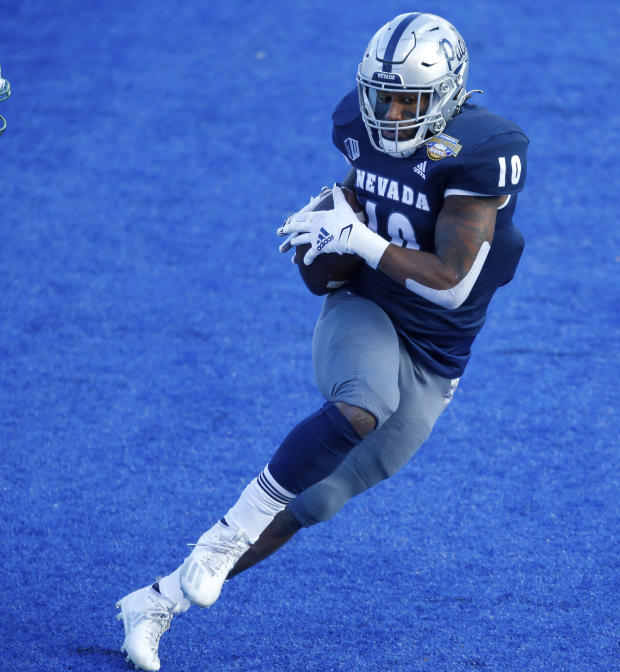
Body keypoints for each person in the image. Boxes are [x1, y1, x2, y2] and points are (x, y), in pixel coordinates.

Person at [115, 12, 528, 671]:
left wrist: (359, 239)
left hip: (438, 355)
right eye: (382, 96)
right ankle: (219, 543)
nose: (390, 113)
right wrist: (324, 239)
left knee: (319, 499)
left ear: (448, 96)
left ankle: (155, 601)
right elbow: (323, 277)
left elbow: (449, 284)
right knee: (364, 402)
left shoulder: (483, 152)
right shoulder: (355, 131)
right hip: (364, 310)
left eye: (408, 100)